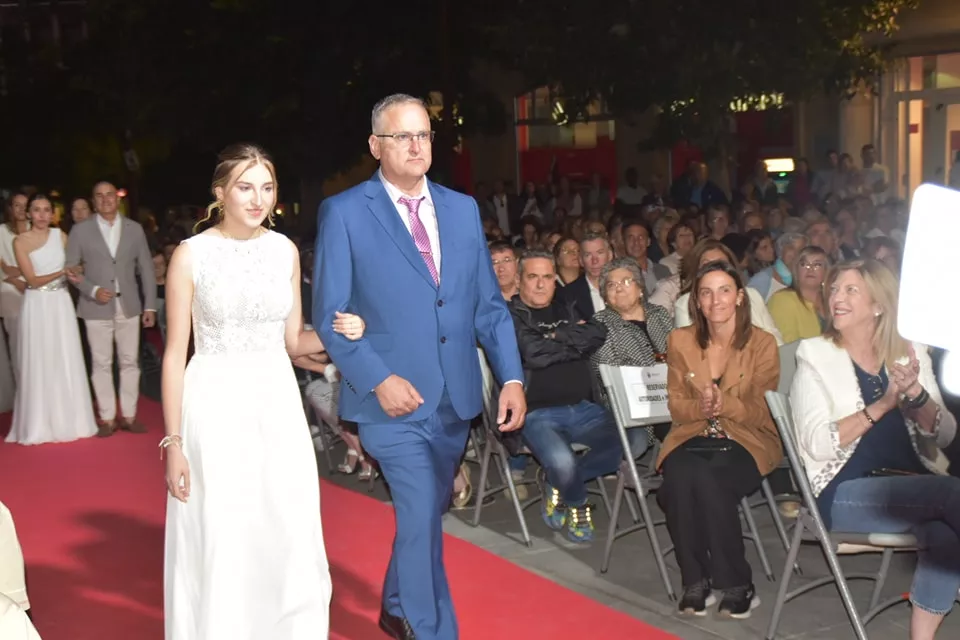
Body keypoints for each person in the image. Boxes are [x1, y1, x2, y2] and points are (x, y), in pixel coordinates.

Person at [314, 93, 526, 640]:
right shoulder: (344, 212)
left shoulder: (461, 209)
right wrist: (379, 379)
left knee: (424, 517)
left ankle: (393, 603)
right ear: (375, 146)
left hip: (454, 399)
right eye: (401, 136)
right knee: (418, 516)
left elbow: (487, 306)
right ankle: (432, 630)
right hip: (389, 402)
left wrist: (512, 377)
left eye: (424, 134)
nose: (415, 145)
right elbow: (331, 313)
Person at [162, 144, 363, 640]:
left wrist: (345, 332)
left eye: (267, 187)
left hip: (275, 402)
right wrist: (172, 443)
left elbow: (294, 341)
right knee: (225, 529)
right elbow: (174, 354)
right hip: (214, 403)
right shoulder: (192, 255)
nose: (258, 199)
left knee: (283, 522)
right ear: (220, 193)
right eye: (245, 187)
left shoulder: (284, 251)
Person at [791, 259, 959, 640]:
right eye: (835, 289)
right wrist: (882, 405)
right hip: (843, 492)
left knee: (945, 535)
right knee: (953, 494)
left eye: (851, 290)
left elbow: (945, 434)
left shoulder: (909, 352)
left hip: (910, 486)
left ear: (878, 305)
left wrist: (915, 395)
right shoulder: (814, 355)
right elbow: (815, 443)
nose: (837, 297)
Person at [656, 261, 781, 618]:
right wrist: (702, 407)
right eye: (706, 292)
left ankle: (737, 583)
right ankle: (695, 579)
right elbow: (676, 406)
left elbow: (763, 412)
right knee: (677, 479)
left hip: (748, 438)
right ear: (696, 300)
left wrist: (728, 405)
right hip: (693, 435)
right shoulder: (681, 340)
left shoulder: (762, 344)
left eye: (724, 290)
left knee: (710, 480)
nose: (716, 300)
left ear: (740, 297)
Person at [66, 180, 158, 436]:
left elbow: (147, 270)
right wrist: (92, 290)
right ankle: (107, 418)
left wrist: (150, 305)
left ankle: (129, 416)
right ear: (93, 201)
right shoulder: (80, 231)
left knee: (130, 361)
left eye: (110, 195)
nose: (105, 199)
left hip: (129, 305)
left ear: (117, 199)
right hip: (96, 306)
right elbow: (71, 269)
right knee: (101, 362)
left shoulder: (134, 229)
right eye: (99, 196)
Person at [5, 194, 98, 445]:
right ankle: (39, 422)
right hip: (37, 304)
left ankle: (72, 419)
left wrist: (77, 270)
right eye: (37, 210)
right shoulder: (20, 242)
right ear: (28, 213)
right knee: (39, 359)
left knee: (64, 356)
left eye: (47, 210)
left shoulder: (62, 236)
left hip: (61, 303)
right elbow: (32, 280)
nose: (43, 215)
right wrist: (63, 271)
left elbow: (76, 266)